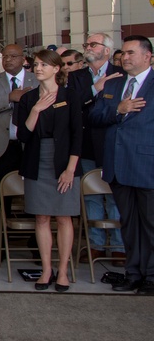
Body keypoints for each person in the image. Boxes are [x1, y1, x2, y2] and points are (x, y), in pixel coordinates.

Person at [89, 35, 154, 294]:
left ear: (148, 56)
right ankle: (134, 273)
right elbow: (95, 115)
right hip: (118, 165)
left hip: (147, 165)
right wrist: (119, 109)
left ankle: (151, 276)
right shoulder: (115, 85)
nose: (125, 58)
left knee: (150, 224)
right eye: (123, 53)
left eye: (131, 53)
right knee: (128, 223)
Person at [16, 50, 81, 292]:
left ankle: (63, 270)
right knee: (41, 217)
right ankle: (46, 269)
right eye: (36, 64)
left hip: (64, 160)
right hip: (36, 159)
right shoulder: (28, 98)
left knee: (64, 217)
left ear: (57, 69)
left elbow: (77, 134)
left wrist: (70, 169)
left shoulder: (70, 96)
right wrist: (35, 111)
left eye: (44, 64)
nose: (39, 68)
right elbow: (23, 135)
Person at [68, 32, 125, 262]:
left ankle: (119, 245)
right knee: (90, 195)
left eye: (93, 44)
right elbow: (73, 106)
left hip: (111, 143)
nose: (88, 47)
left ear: (107, 50)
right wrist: (94, 89)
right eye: (86, 44)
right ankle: (96, 244)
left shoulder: (119, 75)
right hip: (85, 143)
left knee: (113, 195)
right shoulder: (77, 77)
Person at [0, 44, 39, 259]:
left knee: (35, 196)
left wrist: (25, 99)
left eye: (13, 56)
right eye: (5, 56)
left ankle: (37, 245)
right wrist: (9, 98)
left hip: (31, 146)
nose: (8, 60)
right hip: (2, 147)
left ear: (23, 59)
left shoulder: (36, 80)